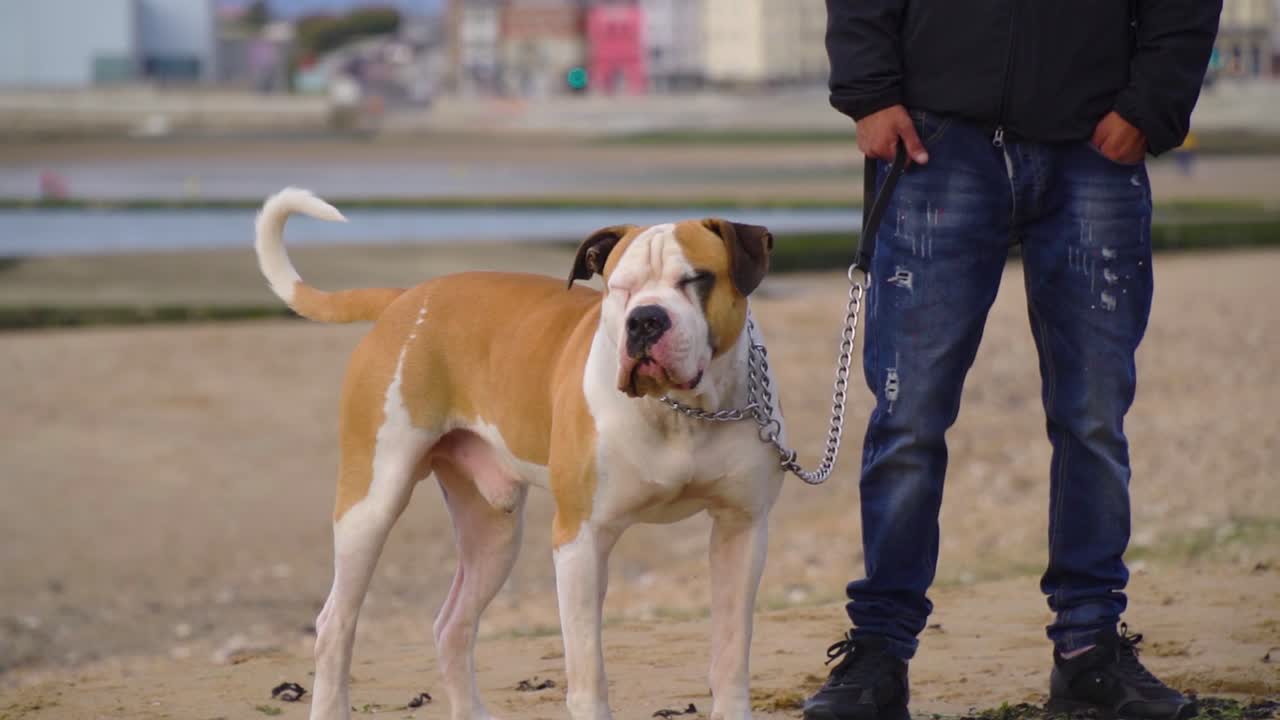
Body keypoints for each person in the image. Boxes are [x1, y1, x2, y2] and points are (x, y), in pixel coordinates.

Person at [805, 4, 1222, 720]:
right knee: (909, 418)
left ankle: (1089, 650)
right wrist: (870, 94)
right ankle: (878, 656)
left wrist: (1152, 103)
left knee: (1093, 417)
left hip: (1095, 143)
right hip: (937, 141)